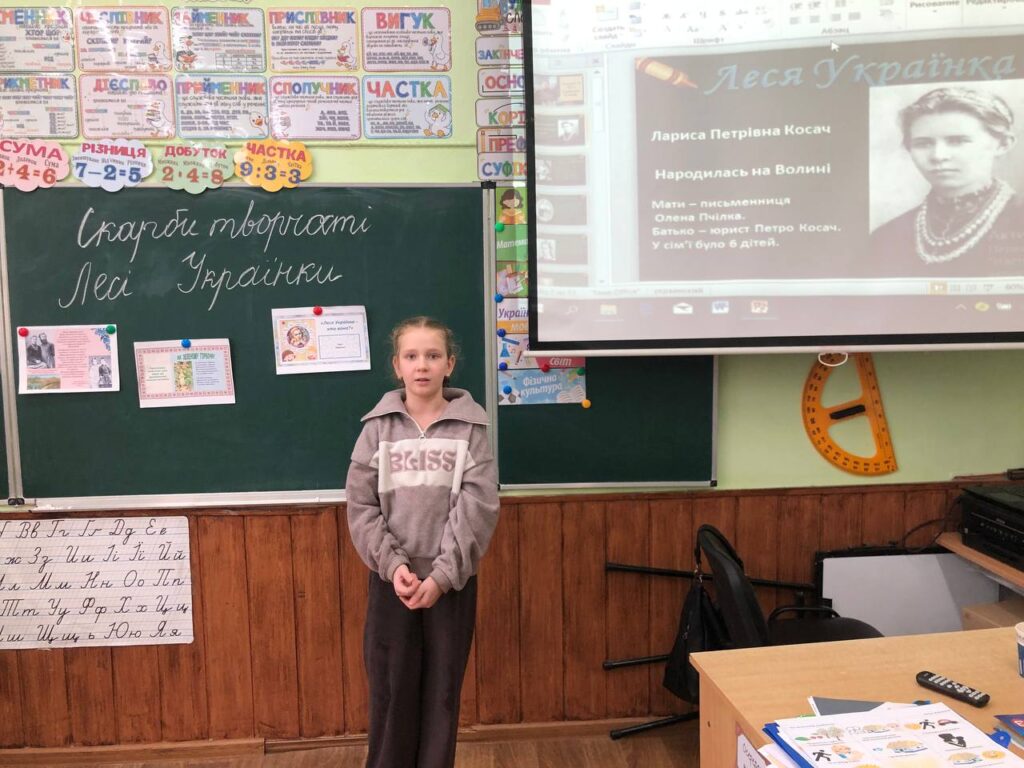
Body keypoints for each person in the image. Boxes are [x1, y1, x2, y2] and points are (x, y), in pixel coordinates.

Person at [345, 316, 499, 768]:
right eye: (411, 356)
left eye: (433, 355)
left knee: (441, 695)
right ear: (397, 365)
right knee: (391, 693)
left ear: (449, 364)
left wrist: (443, 576)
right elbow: (361, 506)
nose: (422, 365)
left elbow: (478, 508)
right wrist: (394, 566)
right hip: (392, 582)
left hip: (450, 585)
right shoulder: (376, 429)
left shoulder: (471, 430)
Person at [870, 86, 1024, 276]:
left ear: (1003, 144)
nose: (938, 156)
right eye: (923, 143)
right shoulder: (886, 237)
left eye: (957, 141)